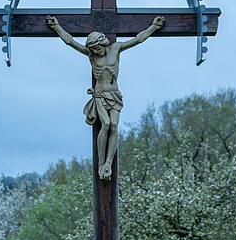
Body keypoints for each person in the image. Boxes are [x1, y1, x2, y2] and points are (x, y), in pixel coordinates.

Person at [46, 15, 165, 179]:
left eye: (97, 48)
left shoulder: (116, 49)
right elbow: (70, 42)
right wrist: (56, 27)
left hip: (114, 94)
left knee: (114, 125)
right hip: (100, 95)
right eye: (93, 49)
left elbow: (138, 39)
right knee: (106, 124)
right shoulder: (92, 55)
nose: (96, 51)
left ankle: (108, 162)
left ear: (103, 43)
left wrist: (154, 27)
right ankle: (101, 163)